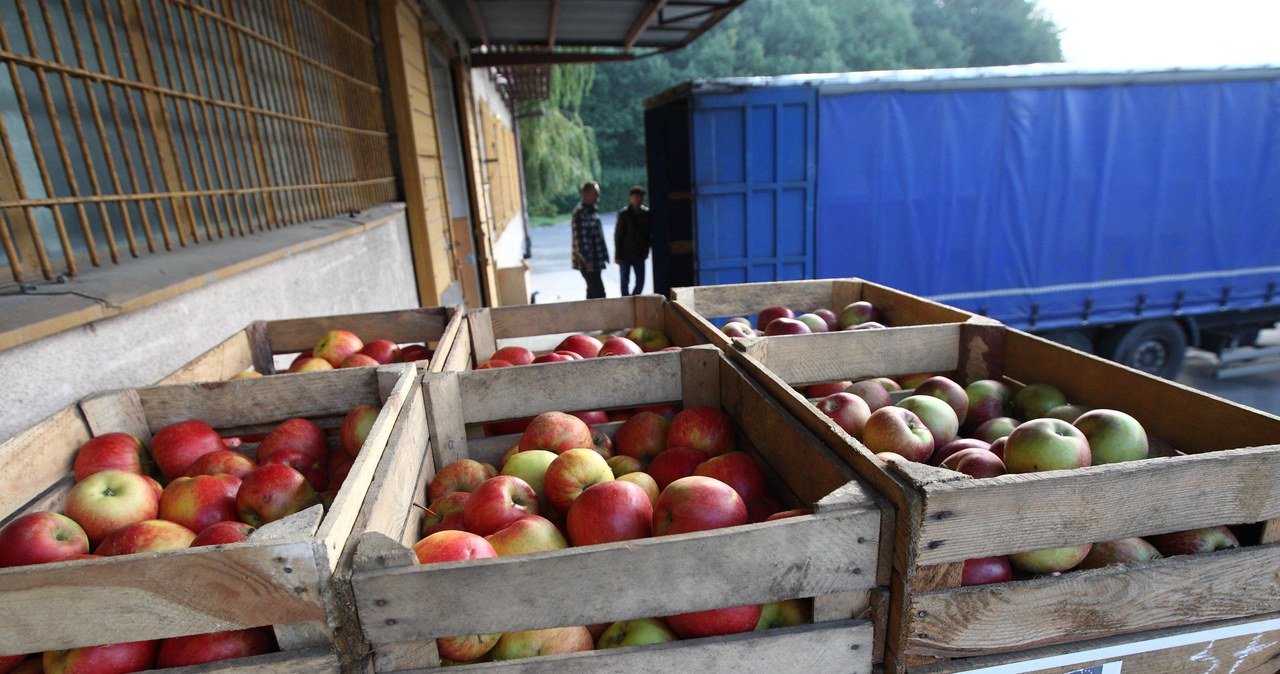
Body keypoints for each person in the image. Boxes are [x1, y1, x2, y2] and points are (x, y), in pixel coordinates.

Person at [571, 181, 609, 299]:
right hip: (589, 263)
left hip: (596, 260)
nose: (598, 195)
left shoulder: (592, 209)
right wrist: (587, 260)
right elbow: (580, 240)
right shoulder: (581, 212)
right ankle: (599, 317)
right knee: (599, 294)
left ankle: (588, 317)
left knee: (592, 294)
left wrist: (604, 256)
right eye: (596, 193)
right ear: (586, 194)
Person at [614, 186, 652, 296]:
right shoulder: (624, 214)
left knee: (640, 280)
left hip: (639, 253)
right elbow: (619, 235)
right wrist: (617, 254)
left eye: (639, 197)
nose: (637, 199)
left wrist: (646, 250)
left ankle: (635, 298)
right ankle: (626, 300)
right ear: (631, 198)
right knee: (624, 280)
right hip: (626, 252)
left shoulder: (646, 214)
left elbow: (649, 234)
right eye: (635, 197)